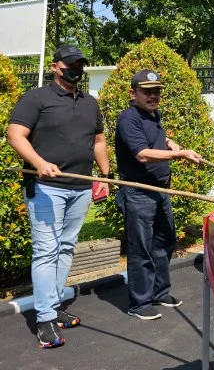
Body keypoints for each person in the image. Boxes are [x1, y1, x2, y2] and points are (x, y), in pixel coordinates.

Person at [8, 45, 110, 348]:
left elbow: (99, 141)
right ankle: (44, 320)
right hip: (46, 188)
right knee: (46, 250)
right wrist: (39, 163)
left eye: (80, 64)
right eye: (70, 64)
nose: (75, 69)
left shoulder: (91, 102)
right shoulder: (36, 98)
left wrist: (103, 176)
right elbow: (15, 134)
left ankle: (52, 306)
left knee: (66, 248)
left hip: (80, 188)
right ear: (55, 66)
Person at [115, 69, 201, 320]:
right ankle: (140, 304)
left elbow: (152, 139)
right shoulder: (128, 119)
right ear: (133, 94)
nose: (153, 96)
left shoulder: (153, 115)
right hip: (139, 192)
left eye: (156, 92)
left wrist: (170, 142)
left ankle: (159, 292)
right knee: (141, 247)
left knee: (164, 241)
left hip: (160, 189)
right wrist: (180, 153)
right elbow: (141, 153)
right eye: (147, 92)